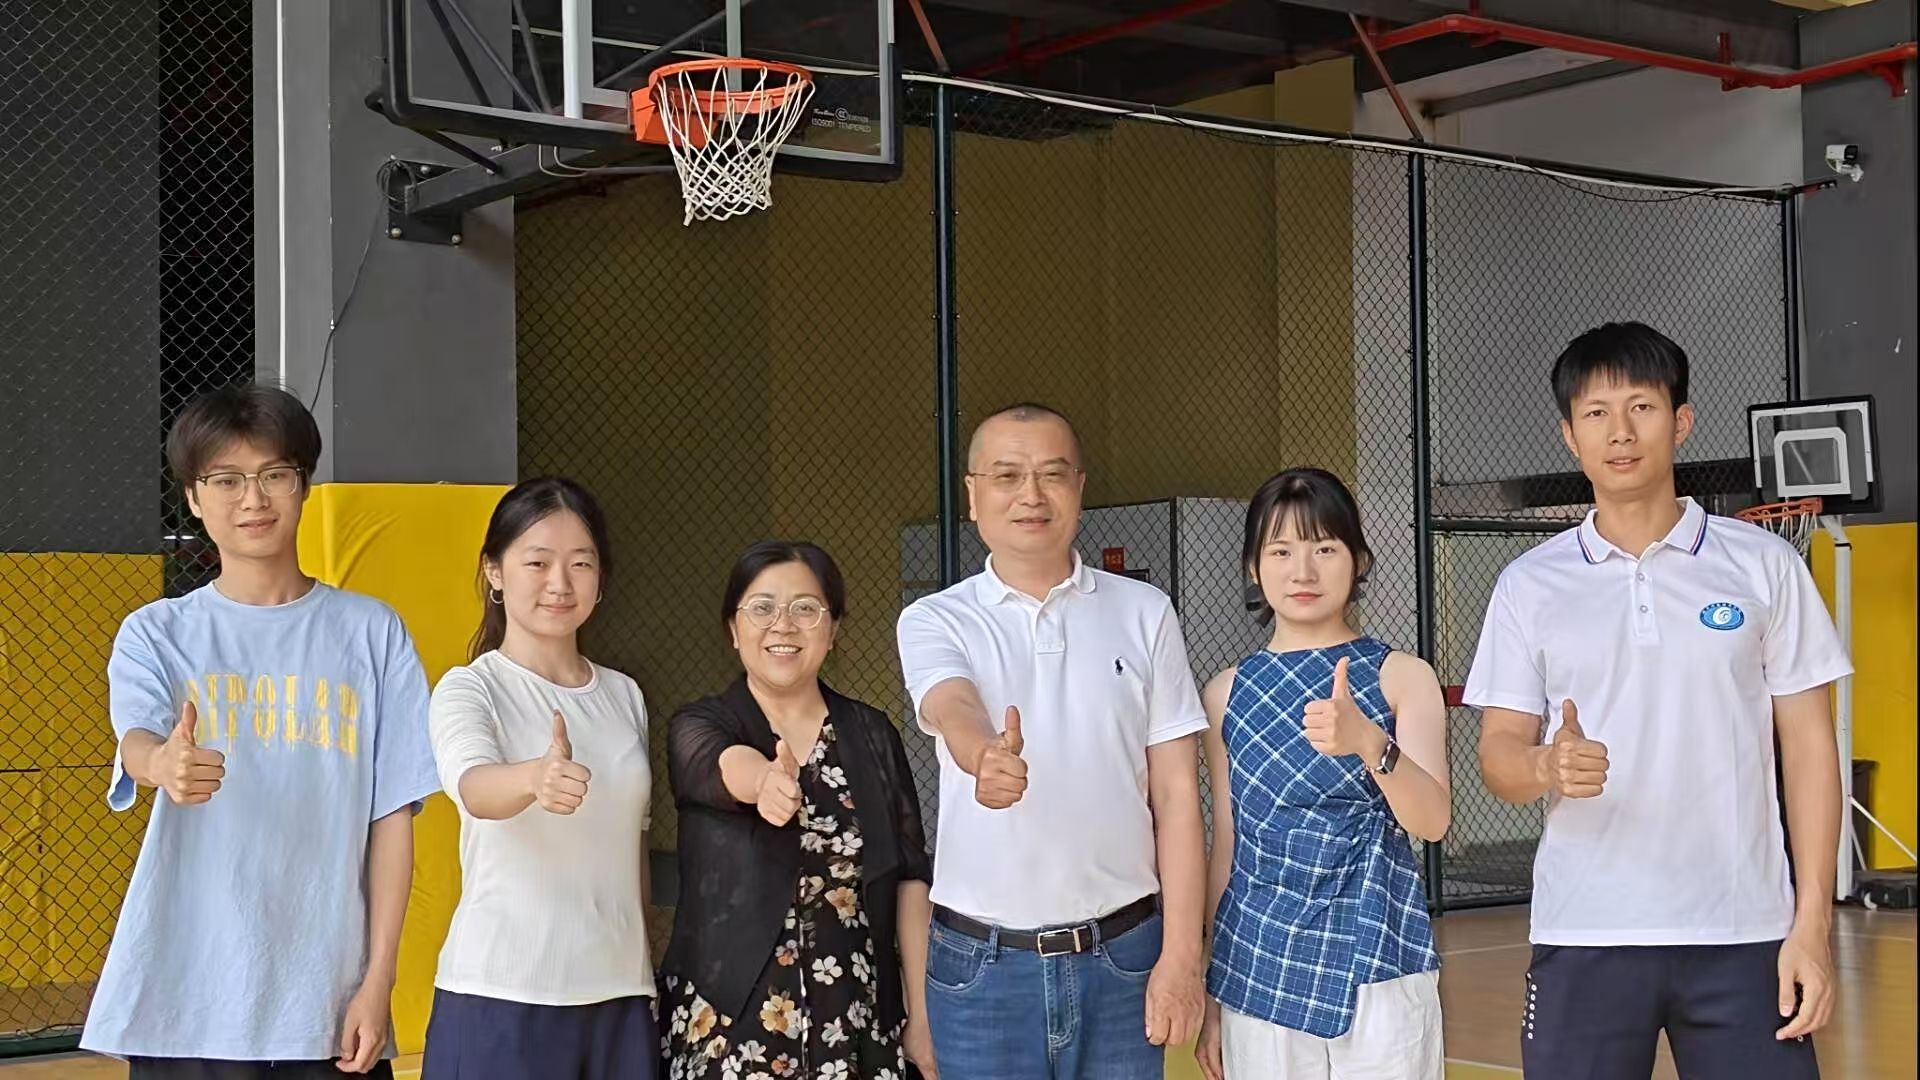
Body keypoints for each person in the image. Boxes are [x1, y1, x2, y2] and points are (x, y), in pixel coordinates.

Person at [1465, 321, 1851, 1080]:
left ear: (1681, 421)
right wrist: (1545, 765)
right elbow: (1499, 758)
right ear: (1569, 436)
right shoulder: (1528, 585)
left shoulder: (1764, 565)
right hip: (1586, 933)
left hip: (1745, 933)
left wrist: (1812, 924)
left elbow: (1810, 748)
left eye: (1641, 407)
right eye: (1596, 413)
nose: (1620, 431)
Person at [80, 383, 441, 1078]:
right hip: (187, 1000)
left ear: (304, 484)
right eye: (226, 480)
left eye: (275, 474)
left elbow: (392, 818)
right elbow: (139, 739)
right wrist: (162, 764)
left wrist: (379, 981)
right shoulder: (158, 633)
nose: (253, 499)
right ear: (193, 497)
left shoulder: (372, 632)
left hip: (325, 1001)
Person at [895, 402, 1209, 1080]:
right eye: (1007, 476)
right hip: (982, 970)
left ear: (1079, 488)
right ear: (973, 495)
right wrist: (982, 754)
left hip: (1125, 957)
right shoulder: (934, 618)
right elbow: (950, 701)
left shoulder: (1146, 612)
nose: (1031, 495)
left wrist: (1182, 956)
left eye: (1051, 474)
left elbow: (1178, 795)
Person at [1194, 467, 1449, 1080]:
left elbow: (1432, 821)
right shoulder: (1225, 693)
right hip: (1259, 964)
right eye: (1281, 551)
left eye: (1325, 549)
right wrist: (1212, 989)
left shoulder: (1402, 676)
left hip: (1378, 958)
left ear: (1359, 561)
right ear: (1254, 567)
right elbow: (1228, 842)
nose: (1302, 571)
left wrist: (1368, 741)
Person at [660, 540, 937, 1080]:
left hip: (857, 1022)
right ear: (733, 629)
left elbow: (909, 876)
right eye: (762, 607)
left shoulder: (872, 733)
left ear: (833, 630)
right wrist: (765, 781)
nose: (783, 624)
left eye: (806, 608)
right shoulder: (700, 724)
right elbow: (718, 766)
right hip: (729, 1029)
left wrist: (922, 1017)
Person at [420, 477, 658, 1079]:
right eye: (537, 562)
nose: (560, 583)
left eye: (581, 563)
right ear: (494, 572)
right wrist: (533, 778)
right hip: (501, 996)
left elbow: (632, 847)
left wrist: (644, 968)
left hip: (619, 996)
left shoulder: (625, 695)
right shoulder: (470, 687)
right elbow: (473, 787)